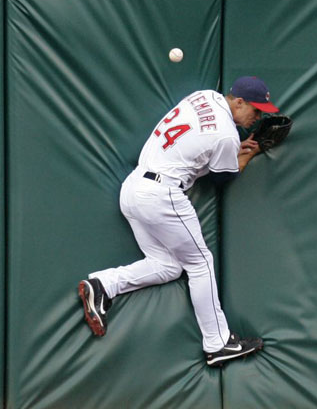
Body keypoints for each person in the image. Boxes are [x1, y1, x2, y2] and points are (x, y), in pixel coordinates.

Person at [78, 76, 280, 367]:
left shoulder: (204, 96)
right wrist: (252, 153)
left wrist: (237, 148)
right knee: (200, 264)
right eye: (255, 110)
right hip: (162, 195)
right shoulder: (227, 135)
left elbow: (201, 143)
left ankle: (103, 284)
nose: (257, 117)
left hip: (134, 188)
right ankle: (218, 343)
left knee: (168, 266)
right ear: (238, 101)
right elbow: (222, 177)